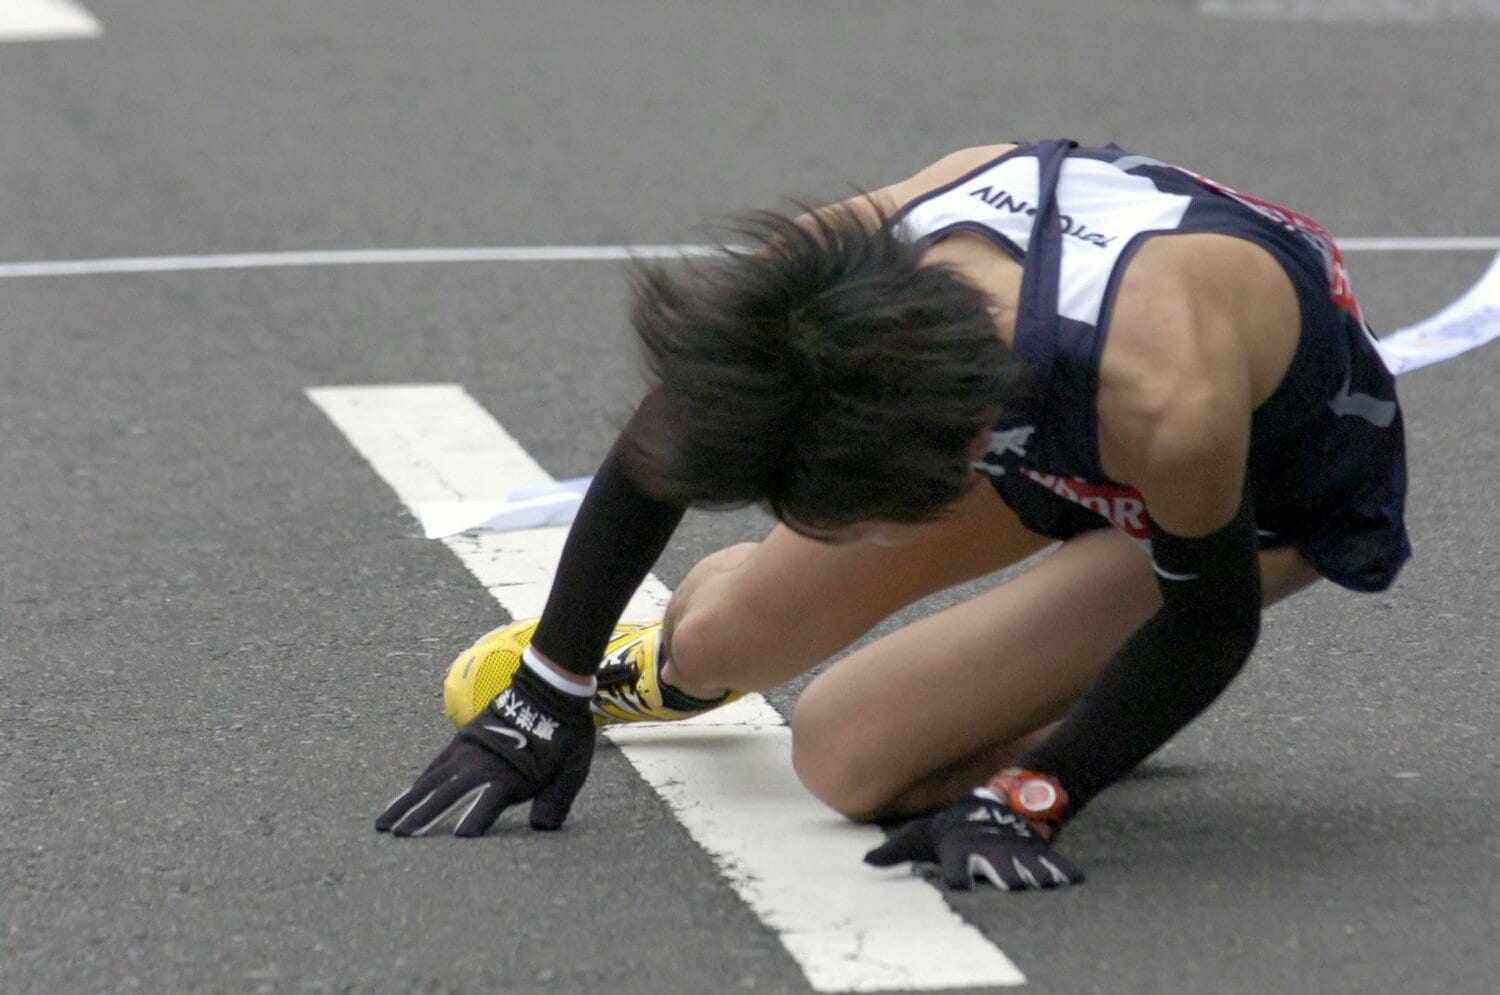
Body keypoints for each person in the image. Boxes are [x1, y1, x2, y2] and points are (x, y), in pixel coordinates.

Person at [376, 139, 1409, 891]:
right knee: (726, 638)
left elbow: (1210, 622)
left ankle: (1065, 689)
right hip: (1041, 417)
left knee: (849, 752)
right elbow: (674, 426)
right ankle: (681, 658)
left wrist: (1040, 791)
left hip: (1247, 496)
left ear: (960, 449)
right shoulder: (857, 260)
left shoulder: (1166, 401)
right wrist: (548, 684)